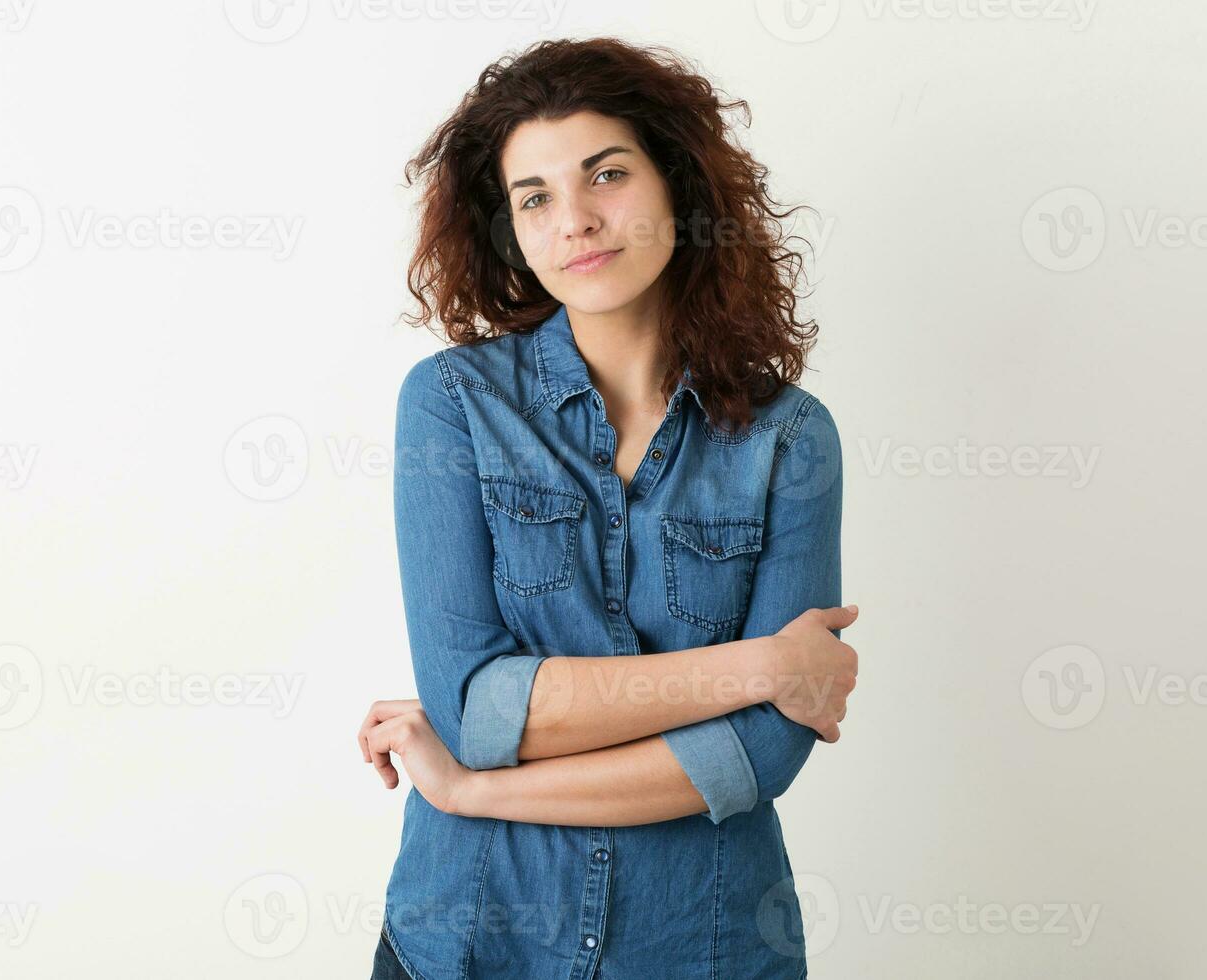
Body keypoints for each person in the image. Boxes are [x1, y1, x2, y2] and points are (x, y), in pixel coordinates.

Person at [359, 36, 859, 980]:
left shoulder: (790, 440)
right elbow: (472, 707)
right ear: (510, 229)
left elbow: (759, 755)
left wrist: (472, 790)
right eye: (535, 197)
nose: (576, 221)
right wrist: (761, 663)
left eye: (607, 175)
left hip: (702, 948)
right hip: (470, 939)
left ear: (678, 185)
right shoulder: (452, 405)